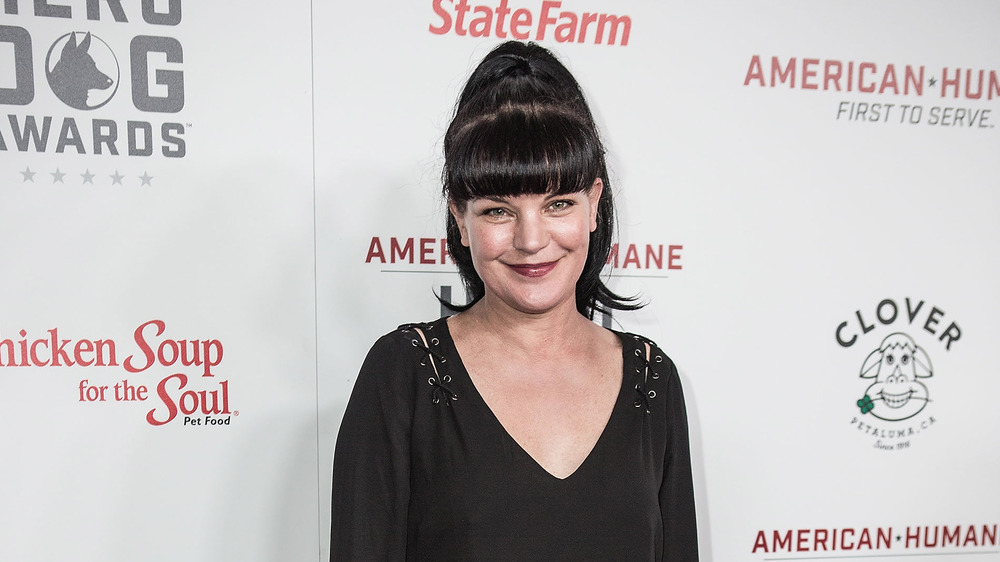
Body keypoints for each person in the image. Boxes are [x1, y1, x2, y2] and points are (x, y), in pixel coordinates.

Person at [331, 41, 698, 561]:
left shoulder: (651, 379)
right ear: (460, 217)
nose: (531, 240)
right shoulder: (403, 375)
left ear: (594, 205)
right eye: (499, 210)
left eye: (559, 204)